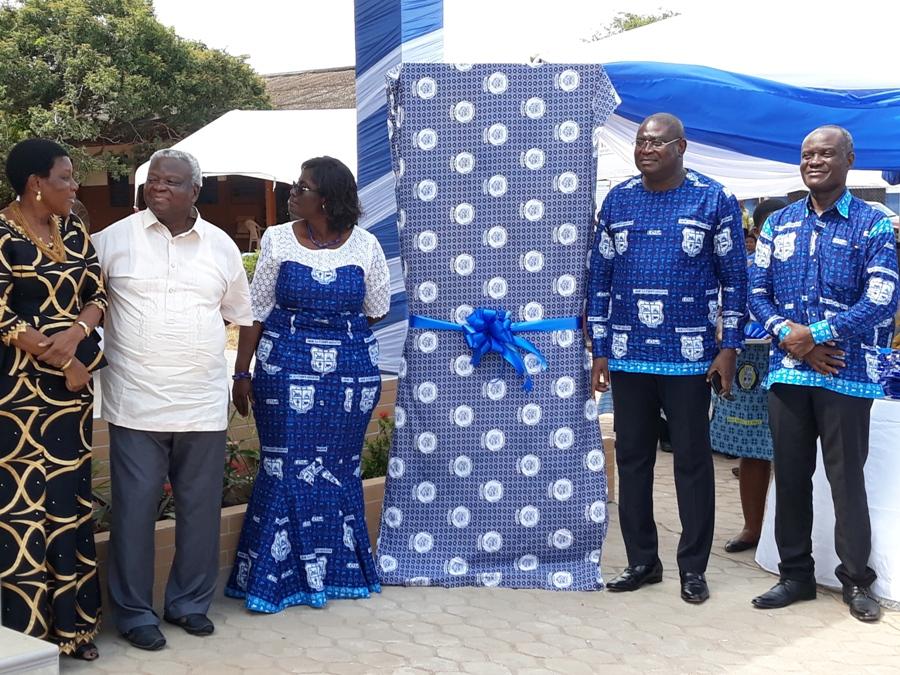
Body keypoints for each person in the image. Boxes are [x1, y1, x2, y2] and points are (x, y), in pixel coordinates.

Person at [92, 149, 253, 649]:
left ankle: (189, 603)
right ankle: (135, 612)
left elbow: (241, 315)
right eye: (153, 180)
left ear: (194, 192)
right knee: (135, 511)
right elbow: (85, 305)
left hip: (200, 400)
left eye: (171, 181)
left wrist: (239, 375)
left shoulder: (222, 247)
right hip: (134, 401)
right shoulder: (110, 240)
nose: (158, 188)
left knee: (199, 510)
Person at [587, 113, 748, 604]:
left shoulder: (712, 198)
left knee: (692, 464)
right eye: (640, 141)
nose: (645, 148)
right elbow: (600, 278)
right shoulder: (618, 199)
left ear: (681, 146)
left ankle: (693, 569)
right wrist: (600, 350)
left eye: (656, 142)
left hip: (691, 355)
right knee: (633, 459)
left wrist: (728, 347)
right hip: (630, 354)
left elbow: (735, 279)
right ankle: (642, 561)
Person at [224, 156, 389, 612]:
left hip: (349, 378)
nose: (292, 193)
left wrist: (333, 332)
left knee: (340, 467)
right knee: (284, 467)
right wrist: (242, 372)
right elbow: (256, 311)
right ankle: (275, 581)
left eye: (302, 187)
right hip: (285, 369)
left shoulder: (366, 246)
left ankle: (339, 573)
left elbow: (376, 307)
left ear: (328, 199)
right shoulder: (277, 239)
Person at [749, 126, 899, 622]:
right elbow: (756, 290)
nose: (814, 161)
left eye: (826, 154)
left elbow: (882, 298)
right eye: (807, 154)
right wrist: (790, 337)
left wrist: (813, 334)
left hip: (847, 373)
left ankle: (857, 582)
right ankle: (796, 576)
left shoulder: (873, 224)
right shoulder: (778, 224)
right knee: (791, 478)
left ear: (849, 160)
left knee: (844, 481)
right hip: (789, 375)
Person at [0, 139, 106, 660]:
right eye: (66, 177)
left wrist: (79, 331)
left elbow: (97, 290)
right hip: (17, 398)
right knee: (20, 511)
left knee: (68, 505)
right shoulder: (0, 235)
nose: (74, 186)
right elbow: (2, 317)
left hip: (70, 398)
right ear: (36, 184)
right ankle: (26, 640)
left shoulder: (73, 228)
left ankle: (75, 631)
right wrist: (65, 358)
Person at [712, 198, 786, 553]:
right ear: (757, 233)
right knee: (753, 450)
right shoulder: (743, 270)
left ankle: (788, 535)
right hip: (752, 364)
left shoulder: (804, 265)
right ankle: (753, 528)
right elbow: (727, 315)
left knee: (796, 454)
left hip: (797, 361)